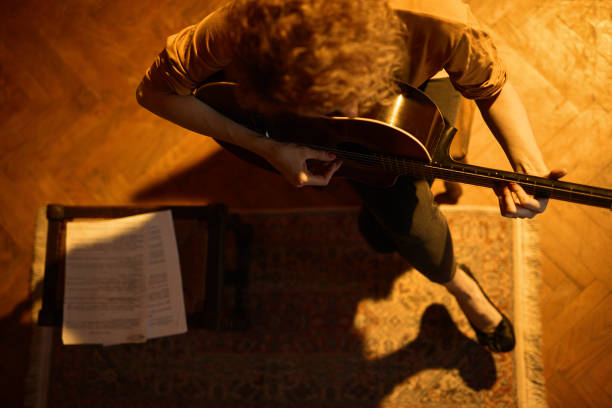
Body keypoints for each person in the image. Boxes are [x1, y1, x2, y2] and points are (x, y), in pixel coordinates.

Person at [136, 0, 566, 352]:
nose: (342, 119)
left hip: (417, 87)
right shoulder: (242, 22)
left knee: (405, 211)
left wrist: (529, 168)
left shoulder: (438, 19)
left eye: (348, 105)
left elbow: (491, 86)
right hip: (295, 121)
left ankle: (459, 284)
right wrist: (269, 146)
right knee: (385, 193)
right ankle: (379, 215)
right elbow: (153, 91)